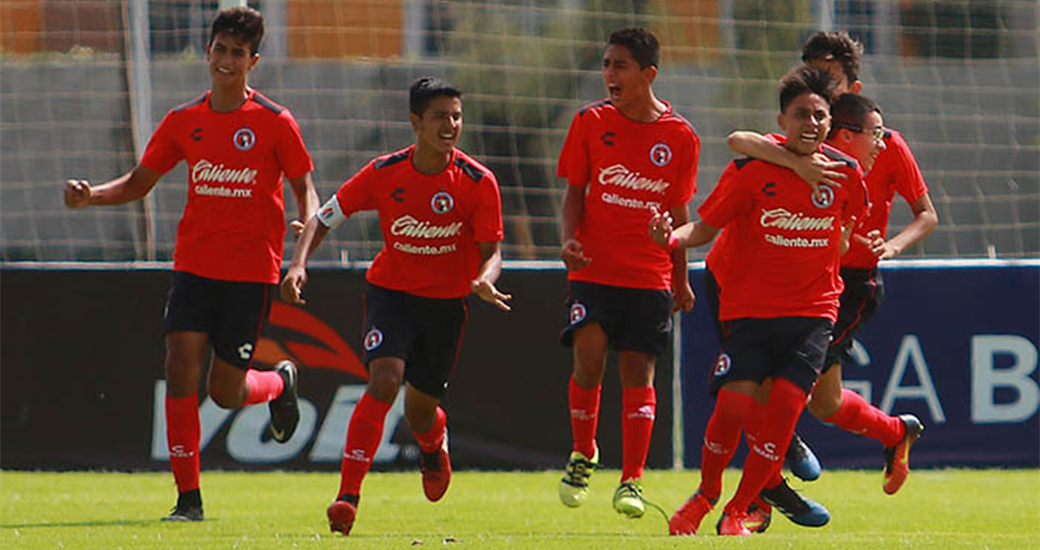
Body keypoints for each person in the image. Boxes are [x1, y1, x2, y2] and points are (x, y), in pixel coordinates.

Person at [62, 6, 317, 522]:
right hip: (195, 265)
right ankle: (188, 500)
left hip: (249, 273)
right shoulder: (184, 121)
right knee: (179, 364)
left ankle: (278, 383)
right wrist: (91, 197)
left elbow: (305, 188)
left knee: (225, 393)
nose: (226, 61)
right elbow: (138, 183)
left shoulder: (274, 122)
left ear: (253, 61)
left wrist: (302, 242)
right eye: (220, 50)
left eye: (237, 54)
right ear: (208, 52)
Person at [281, 76, 509, 536]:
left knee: (420, 410)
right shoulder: (384, 173)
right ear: (415, 123)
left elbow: (492, 252)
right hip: (392, 297)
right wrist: (298, 265)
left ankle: (431, 444)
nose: (451, 125)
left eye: (456, 116)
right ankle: (347, 497)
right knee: (384, 382)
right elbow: (324, 218)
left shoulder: (477, 182)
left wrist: (485, 280)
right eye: (440, 116)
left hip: (445, 308)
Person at [652, 65, 869, 536]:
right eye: (800, 115)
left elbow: (844, 238)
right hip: (749, 309)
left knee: (786, 407)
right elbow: (705, 228)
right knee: (732, 408)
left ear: (830, 122)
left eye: (819, 116)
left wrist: (834, 252)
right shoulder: (751, 169)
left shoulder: (848, 174)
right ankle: (706, 493)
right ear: (781, 120)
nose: (810, 124)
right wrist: (672, 237)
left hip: (813, 313)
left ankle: (738, 509)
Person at [727, 30, 937, 495]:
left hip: (850, 281)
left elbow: (927, 213)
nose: (819, 89)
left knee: (778, 380)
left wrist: (893, 246)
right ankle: (895, 432)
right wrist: (795, 162)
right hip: (798, 277)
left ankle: (760, 492)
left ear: (853, 88)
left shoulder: (881, 142)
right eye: (813, 77)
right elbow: (740, 140)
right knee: (825, 402)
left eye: (830, 79)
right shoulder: (799, 140)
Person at [555, 27, 699, 519]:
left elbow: (680, 215)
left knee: (638, 373)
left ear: (648, 74)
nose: (609, 75)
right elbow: (575, 191)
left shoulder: (680, 136)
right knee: (588, 358)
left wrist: (681, 278)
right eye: (606, 65)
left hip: (650, 276)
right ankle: (583, 453)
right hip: (594, 270)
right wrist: (569, 239)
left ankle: (632, 481)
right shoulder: (590, 122)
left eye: (620, 66)